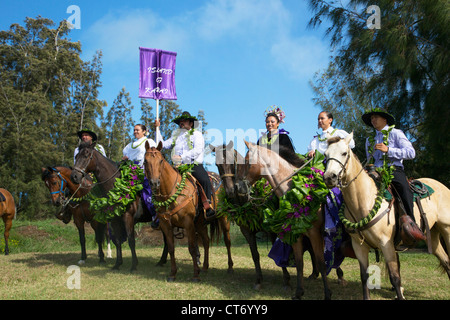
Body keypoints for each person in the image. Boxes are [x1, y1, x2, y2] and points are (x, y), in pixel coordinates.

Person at [362, 108, 426, 242]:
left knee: (404, 190)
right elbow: (369, 159)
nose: (373, 120)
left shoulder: (396, 133)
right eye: (371, 118)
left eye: (376, 117)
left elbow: (411, 153)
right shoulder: (369, 139)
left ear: (385, 119)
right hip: (374, 172)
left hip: (393, 169)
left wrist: (389, 150)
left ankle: (412, 225)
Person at [155, 111, 216, 220]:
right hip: (177, 167)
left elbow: (197, 150)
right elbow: (163, 145)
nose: (181, 123)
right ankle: (161, 213)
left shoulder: (197, 134)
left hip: (193, 165)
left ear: (191, 123)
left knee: (204, 180)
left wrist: (182, 157)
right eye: (180, 121)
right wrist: (157, 129)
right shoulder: (176, 135)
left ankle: (208, 206)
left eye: (184, 121)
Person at [122, 124, 157, 222]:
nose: (135, 132)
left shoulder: (149, 141)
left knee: (147, 190)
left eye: (137, 130)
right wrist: (125, 159)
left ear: (144, 131)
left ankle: (154, 214)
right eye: (134, 130)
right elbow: (125, 154)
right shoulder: (129, 145)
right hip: (130, 172)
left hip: (143, 172)